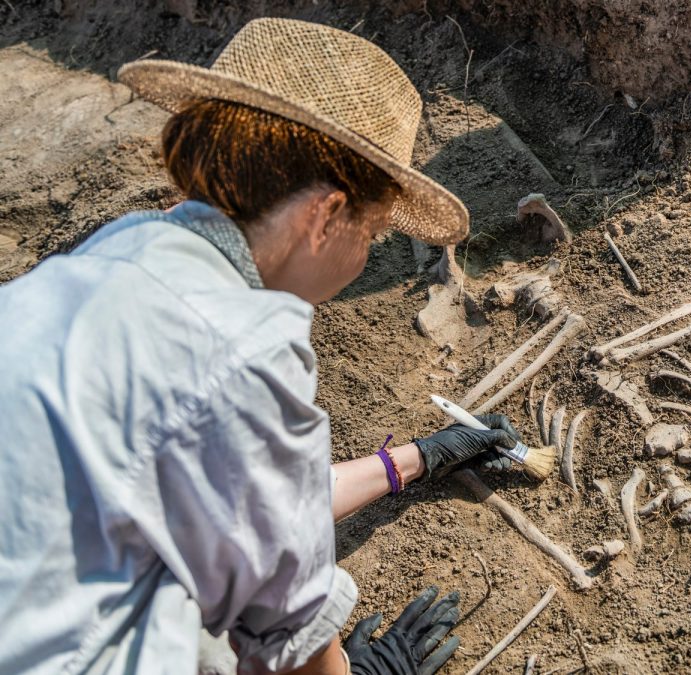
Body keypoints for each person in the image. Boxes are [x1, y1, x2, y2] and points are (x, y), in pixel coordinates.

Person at [0, 18, 515, 675]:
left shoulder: (118, 252)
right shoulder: (242, 341)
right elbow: (287, 626)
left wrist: (415, 459)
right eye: (374, 233)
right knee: (208, 641)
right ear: (326, 216)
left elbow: (248, 502)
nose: (366, 255)